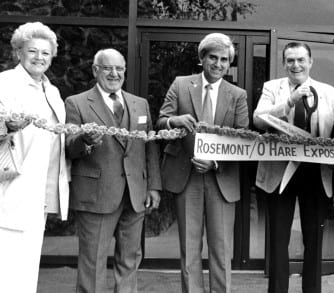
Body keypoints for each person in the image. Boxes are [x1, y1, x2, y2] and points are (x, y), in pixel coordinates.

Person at [253, 41, 334, 293]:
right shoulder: (272, 87)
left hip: (315, 172)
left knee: (314, 240)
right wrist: (289, 101)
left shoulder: (327, 91)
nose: (295, 65)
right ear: (284, 63)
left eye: (300, 60)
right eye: (290, 60)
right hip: (280, 171)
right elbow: (259, 120)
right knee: (278, 241)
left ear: (310, 62)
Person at [156, 33, 249, 292]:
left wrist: (215, 162)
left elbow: (243, 139)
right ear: (202, 58)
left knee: (221, 249)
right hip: (186, 176)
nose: (218, 64)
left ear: (229, 63)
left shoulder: (237, 94)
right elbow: (161, 121)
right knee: (190, 247)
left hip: (221, 179)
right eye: (213, 58)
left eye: (224, 60)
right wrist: (174, 121)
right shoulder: (181, 84)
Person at [65, 48, 161, 292]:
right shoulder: (76, 103)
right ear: (96, 70)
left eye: (119, 68)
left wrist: (153, 186)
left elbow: (149, 148)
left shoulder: (140, 104)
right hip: (96, 194)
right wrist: (84, 140)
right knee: (92, 260)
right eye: (107, 68)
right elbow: (68, 148)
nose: (114, 73)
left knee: (130, 259)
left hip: (135, 194)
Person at [0, 21, 69, 293]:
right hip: (9, 186)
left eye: (45, 52)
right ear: (19, 52)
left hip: (40, 191)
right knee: (5, 262)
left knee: (27, 264)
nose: (39, 57)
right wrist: (5, 126)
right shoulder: (4, 82)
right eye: (32, 51)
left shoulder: (52, 91)